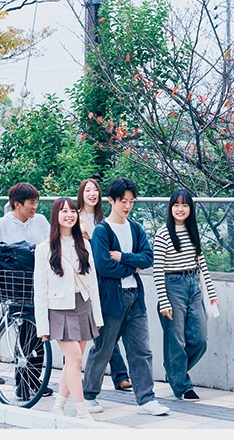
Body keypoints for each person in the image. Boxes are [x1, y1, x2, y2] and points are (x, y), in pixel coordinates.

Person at [81, 177, 170, 416]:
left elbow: (148, 258)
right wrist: (133, 266)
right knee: (103, 348)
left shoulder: (136, 228)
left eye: (131, 201)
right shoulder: (102, 231)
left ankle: (146, 399)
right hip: (112, 298)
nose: (127, 206)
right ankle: (88, 395)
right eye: (123, 201)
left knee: (141, 350)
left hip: (135, 298)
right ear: (111, 200)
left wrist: (123, 257)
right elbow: (104, 266)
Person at [0, 182, 53, 397]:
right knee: (26, 332)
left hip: (37, 285)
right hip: (14, 286)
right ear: (17, 204)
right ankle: (23, 384)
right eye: (31, 202)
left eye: (36, 202)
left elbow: (53, 244)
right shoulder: (1, 225)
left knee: (39, 334)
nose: (35, 207)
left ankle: (33, 381)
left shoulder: (41, 221)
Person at [34, 198, 104, 420]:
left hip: (83, 305)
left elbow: (92, 283)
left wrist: (97, 316)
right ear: (56, 216)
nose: (69, 215)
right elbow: (40, 290)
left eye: (73, 211)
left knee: (73, 362)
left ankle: (58, 406)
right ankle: (82, 411)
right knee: (74, 359)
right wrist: (42, 326)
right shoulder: (44, 249)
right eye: (64, 211)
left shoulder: (84, 245)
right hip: (59, 309)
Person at [152, 188, 219, 402]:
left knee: (200, 340)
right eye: (176, 205)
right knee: (176, 341)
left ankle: (173, 370)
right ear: (170, 208)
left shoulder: (192, 231)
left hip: (193, 285)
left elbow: (201, 264)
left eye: (185, 205)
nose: (180, 209)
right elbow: (157, 270)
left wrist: (211, 292)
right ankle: (182, 386)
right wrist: (164, 301)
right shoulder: (163, 234)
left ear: (190, 208)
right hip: (173, 286)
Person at [77, 178, 132, 392]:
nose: (92, 194)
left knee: (106, 329)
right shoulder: (76, 217)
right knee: (102, 330)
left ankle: (119, 375)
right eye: (87, 190)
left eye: (95, 190)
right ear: (81, 194)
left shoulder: (105, 219)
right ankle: (112, 376)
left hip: (106, 280)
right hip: (87, 278)